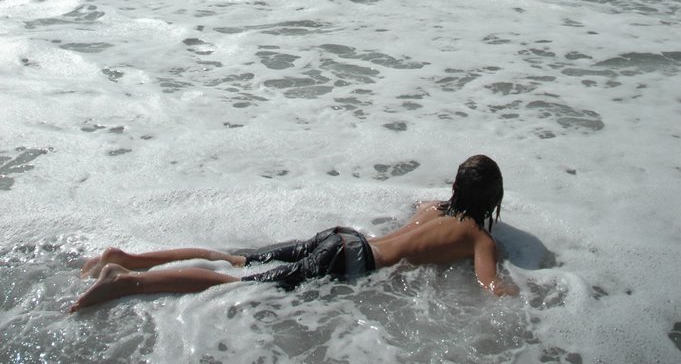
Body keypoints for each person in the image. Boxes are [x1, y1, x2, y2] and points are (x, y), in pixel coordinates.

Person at [70, 154, 518, 312]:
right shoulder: (479, 238)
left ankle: (126, 256)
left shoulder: (431, 208)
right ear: (491, 200)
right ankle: (124, 284)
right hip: (349, 260)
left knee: (234, 259)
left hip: (341, 237)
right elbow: (490, 284)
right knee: (232, 285)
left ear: (456, 187)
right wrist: (519, 296)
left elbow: (414, 220)